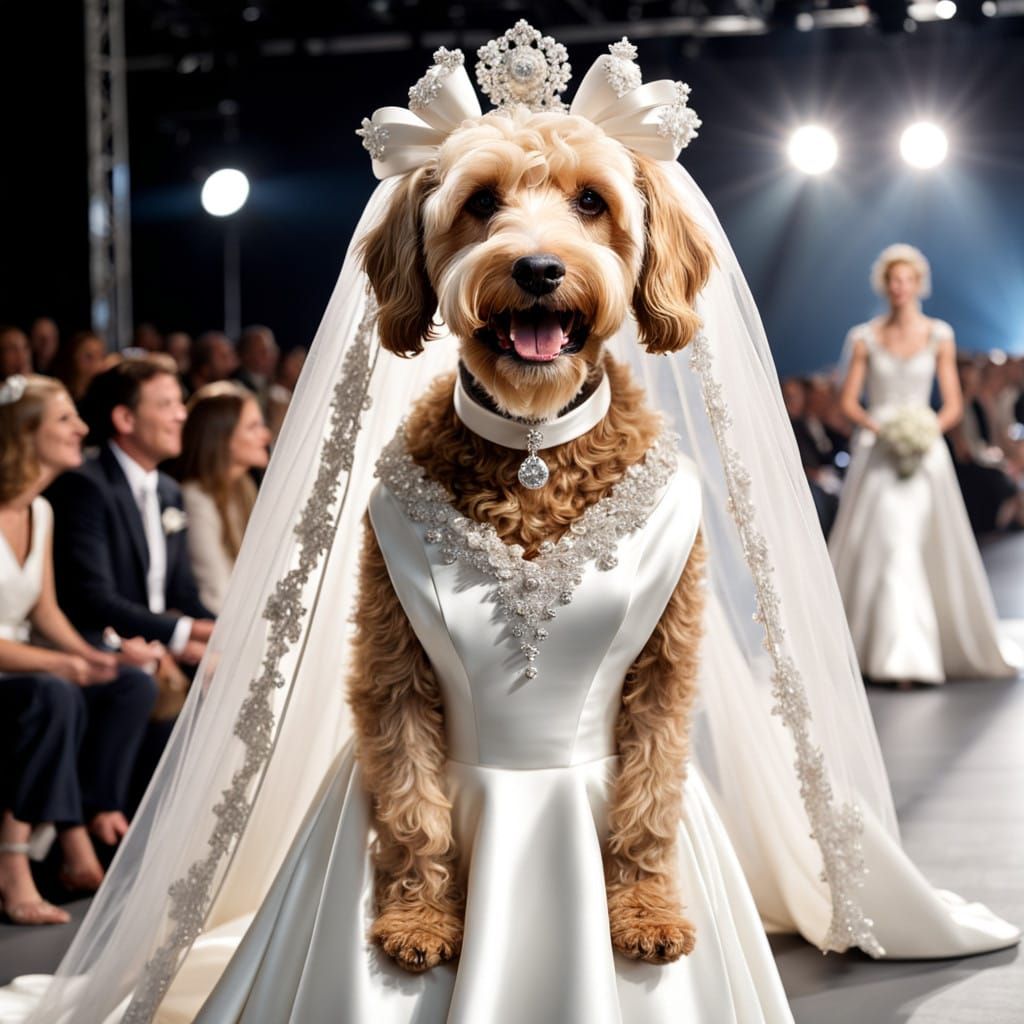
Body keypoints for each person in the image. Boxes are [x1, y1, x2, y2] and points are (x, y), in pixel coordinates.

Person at [8, 31, 1020, 1024]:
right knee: (393, 690)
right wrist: (413, 877)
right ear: (424, 252)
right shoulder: (404, 485)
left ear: (641, 246)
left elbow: (660, 698)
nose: (537, 250)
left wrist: (640, 872)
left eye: (587, 206)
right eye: (483, 207)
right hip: (418, 845)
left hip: (618, 836)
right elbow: (391, 693)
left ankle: (638, 873)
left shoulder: (661, 489)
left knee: (662, 689)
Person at [0, 374, 163, 926]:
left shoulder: (39, 512)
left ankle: (92, 819)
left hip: (23, 658)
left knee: (128, 684)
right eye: (66, 418)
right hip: (14, 667)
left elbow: (44, 611)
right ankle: (17, 859)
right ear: (27, 433)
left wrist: (98, 659)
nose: (82, 429)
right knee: (56, 693)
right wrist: (61, 663)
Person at [829, 244, 1019, 685]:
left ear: (918, 284)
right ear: (885, 285)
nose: (899, 287)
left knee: (916, 544)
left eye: (906, 279)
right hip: (879, 450)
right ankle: (890, 654)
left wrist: (924, 428)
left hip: (924, 448)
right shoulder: (863, 337)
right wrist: (882, 428)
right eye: (893, 280)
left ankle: (911, 652)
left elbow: (952, 403)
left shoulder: (939, 335)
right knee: (886, 545)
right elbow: (847, 400)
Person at [45, 358, 215, 664]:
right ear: (125, 418)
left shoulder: (168, 489)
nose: (181, 415)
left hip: (163, 642)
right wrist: (185, 633)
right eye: (166, 405)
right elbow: (95, 600)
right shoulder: (85, 486)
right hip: (111, 646)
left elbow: (184, 594)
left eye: (180, 402)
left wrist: (227, 628)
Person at [175, 382, 271, 613]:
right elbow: (215, 592)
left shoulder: (243, 488)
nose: (266, 435)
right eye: (253, 427)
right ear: (222, 438)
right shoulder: (196, 499)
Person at [49, 330, 108, 405]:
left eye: (102, 356)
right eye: (89, 357)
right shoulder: (59, 399)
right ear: (72, 359)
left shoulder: (106, 399)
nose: (99, 364)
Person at [234, 325, 279, 415]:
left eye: (273, 350)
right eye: (263, 351)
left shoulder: (276, 382)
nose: (272, 356)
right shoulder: (236, 388)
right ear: (247, 355)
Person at [183, 331, 239, 399]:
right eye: (224, 357)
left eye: (231, 356)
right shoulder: (181, 393)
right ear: (205, 367)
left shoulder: (233, 387)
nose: (232, 364)